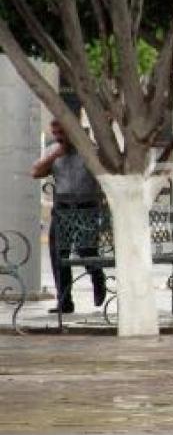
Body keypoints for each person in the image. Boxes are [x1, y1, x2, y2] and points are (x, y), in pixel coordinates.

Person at [31, 119, 106, 314]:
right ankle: (64, 301)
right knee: (58, 255)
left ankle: (98, 279)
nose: (58, 137)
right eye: (55, 133)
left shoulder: (90, 150)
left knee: (86, 250)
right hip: (63, 209)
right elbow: (36, 172)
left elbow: (103, 173)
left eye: (62, 133)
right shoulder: (54, 150)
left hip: (87, 207)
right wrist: (55, 155)